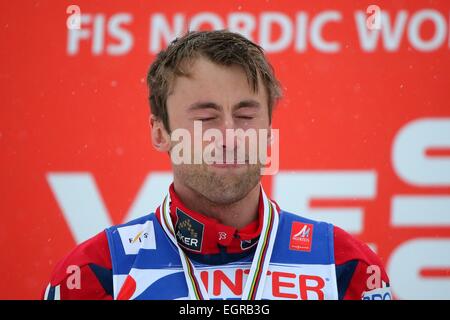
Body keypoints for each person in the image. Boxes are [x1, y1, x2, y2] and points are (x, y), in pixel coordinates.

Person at [42, 30, 391, 300]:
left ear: (269, 130)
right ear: (160, 132)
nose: (229, 136)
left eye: (245, 114)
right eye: (206, 117)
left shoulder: (344, 265)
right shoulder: (97, 272)